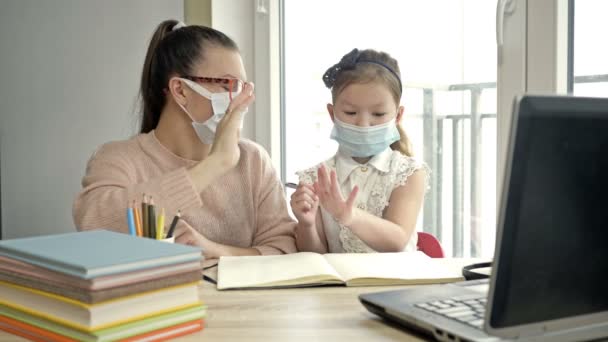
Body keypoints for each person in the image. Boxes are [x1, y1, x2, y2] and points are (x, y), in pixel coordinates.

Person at [73, 19, 296, 258]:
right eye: (228, 84)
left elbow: (283, 250)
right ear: (180, 90)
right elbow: (94, 225)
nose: (241, 99)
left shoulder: (253, 160)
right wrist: (215, 164)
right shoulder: (118, 158)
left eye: (242, 88)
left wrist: (213, 251)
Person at [290, 48, 428, 254]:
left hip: (397, 284)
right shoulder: (315, 177)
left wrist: (349, 216)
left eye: (379, 114)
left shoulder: (408, 173)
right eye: (350, 112)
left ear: (398, 115)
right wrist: (307, 224)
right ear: (332, 112)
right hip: (339, 285)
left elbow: (397, 240)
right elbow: (314, 255)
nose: (364, 124)